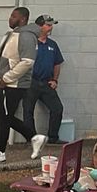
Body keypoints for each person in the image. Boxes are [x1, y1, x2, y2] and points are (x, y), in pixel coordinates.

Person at [0, 6, 47, 165]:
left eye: (13, 16)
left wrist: (6, 78)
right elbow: (10, 59)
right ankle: (34, 137)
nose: (10, 18)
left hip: (13, 84)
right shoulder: (13, 34)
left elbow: (27, 62)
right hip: (8, 82)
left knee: (3, 117)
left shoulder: (26, 36)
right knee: (5, 117)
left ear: (23, 19)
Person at [23, 15, 65, 145]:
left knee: (57, 108)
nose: (51, 27)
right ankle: (32, 139)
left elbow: (57, 63)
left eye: (51, 25)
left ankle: (53, 137)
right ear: (39, 26)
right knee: (28, 110)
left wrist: (55, 80)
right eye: (48, 25)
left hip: (46, 82)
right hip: (31, 82)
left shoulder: (52, 45)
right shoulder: (30, 42)